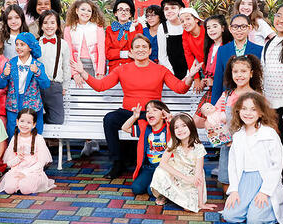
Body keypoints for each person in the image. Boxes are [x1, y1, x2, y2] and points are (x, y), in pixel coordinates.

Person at [74, 34, 200, 178]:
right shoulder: (122, 69)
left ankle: (150, 164)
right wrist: (83, 72)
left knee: (148, 124)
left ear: (150, 50)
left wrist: (190, 76)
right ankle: (117, 162)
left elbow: (180, 88)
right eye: (137, 47)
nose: (141, 49)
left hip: (151, 114)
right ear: (131, 52)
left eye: (144, 46)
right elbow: (101, 86)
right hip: (129, 113)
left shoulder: (160, 69)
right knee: (109, 119)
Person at [220, 92, 283, 224]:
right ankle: (248, 207)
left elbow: (276, 165)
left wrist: (265, 192)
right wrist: (234, 190)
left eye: (253, 109)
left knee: (255, 220)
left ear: (261, 113)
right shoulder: (238, 135)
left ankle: (262, 210)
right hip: (244, 181)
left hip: (264, 180)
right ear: (238, 111)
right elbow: (233, 166)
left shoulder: (269, 134)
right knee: (230, 216)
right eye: (244, 109)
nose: (248, 113)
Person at [203, 54, 263, 190]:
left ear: (251, 73)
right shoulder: (227, 96)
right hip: (228, 148)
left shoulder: (257, 97)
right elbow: (214, 117)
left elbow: (262, 125)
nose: (239, 75)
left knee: (247, 184)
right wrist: (211, 126)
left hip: (250, 147)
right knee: (227, 185)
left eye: (243, 71)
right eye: (235, 71)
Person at [259, 2, 283, 181]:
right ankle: (271, 178)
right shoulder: (270, 42)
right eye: (278, 15)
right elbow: (262, 70)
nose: (281, 19)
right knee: (270, 142)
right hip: (268, 102)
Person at [150, 113, 212, 212]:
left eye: (184, 126)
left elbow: (199, 176)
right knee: (160, 171)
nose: (180, 130)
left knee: (188, 208)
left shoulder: (199, 147)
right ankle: (165, 195)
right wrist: (184, 177)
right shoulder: (174, 143)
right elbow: (162, 163)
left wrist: (201, 203)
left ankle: (173, 196)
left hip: (192, 178)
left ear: (191, 127)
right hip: (177, 174)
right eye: (176, 127)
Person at [0, 32, 50, 137]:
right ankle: (15, 152)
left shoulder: (37, 65)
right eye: (17, 44)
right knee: (13, 132)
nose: (18, 47)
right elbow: (0, 85)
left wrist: (37, 72)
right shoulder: (10, 63)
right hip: (13, 104)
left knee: (32, 133)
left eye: (22, 44)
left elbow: (46, 85)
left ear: (30, 47)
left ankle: (33, 152)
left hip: (32, 104)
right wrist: (4, 75)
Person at [122, 100, 171, 198]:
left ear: (163, 115)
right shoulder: (145, 130)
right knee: (136, 188)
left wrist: (170, 120)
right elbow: (125, 128)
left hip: (165, 168)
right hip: (150, 167)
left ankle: (166, 185)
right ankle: (153, 181)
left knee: (151, 191)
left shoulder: (169, 129)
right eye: (148, 111)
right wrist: (134, 117)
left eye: (154, 110)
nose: (150, 113)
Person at [0, 108, 55, 194]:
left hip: (33, 172)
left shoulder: (38, 139)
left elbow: (41, 163)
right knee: (9, 189)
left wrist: (25, 173)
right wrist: (18, 158)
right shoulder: (15, 138)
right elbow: (9, 163)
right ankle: (17, 184)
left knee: (25, 189)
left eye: (29, 122)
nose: (24, 125)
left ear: (34, 124)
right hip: (17, 170)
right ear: (17, 122)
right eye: (22, 121)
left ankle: (25, 184)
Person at [210, 14, 263, 105]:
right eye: (235, 27)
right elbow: (218, 79)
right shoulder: (223, 50)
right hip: (229, 99)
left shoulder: (259, 50)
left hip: (251, 99)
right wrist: (214, 105)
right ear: (230, 29)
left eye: (243, 26)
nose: (239, 30)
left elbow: (260, 77)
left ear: (249, 28)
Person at [194, 15, 232, 126]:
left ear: (223, 28)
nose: (211, 30)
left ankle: (221, 135)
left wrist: (214, 82)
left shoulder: (228, 46)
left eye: (215, 26)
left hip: (222, 91)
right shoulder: (210, 47)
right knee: (197, 121)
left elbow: (229, 72)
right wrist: (204, 80)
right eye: (209, 28)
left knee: (215, 121)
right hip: (211, 90)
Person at [36, 10, 71, 125]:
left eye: (52, 22)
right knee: (35, 116)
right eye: (45, 23)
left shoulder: (63, 44)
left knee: (57, 120)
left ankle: (50, 139)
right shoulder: (36, 44)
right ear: (41, 25)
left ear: (57, 25)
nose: (49, 26)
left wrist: (65, 86)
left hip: (54, 85)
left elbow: (66, 66)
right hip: (37, 86)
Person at [63, 0, 106, 77]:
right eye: (83, 9)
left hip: (93, 66)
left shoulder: (98, 28)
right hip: (77, 66)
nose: (86, 13)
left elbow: (101, 51)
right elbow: (68, 53)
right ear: (76, 11)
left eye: (89, 11)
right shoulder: (68, 29)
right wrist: (74, 73)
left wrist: (100, 72)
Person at [105, 0, 142, 72]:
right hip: (114, 70)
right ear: (115, 13)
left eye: (127, 10)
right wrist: (126, 54)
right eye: (120, 9)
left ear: (130, 14)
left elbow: (136, 49)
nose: (123, 12)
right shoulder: (109, 29)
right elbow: (108, 53)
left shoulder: (137, 27)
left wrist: (132, 29)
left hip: (132, 68)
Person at [156, 0, 188, 78]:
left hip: (190, 72)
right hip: (170, 72)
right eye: (166, 9)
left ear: (181, 9)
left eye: (173, 8)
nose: (169, 11)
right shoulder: (162, 28)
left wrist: (189, 75)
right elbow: (162, 56)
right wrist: (172, 74)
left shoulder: (187, 25)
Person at [180, 7, 205, 72]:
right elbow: (188, 56)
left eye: (188, 19)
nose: (185, 23)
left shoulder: (206, 31)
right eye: (182, 21)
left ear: (196, 19)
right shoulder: (185, 34)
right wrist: (196, 79)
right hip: (203, 68)